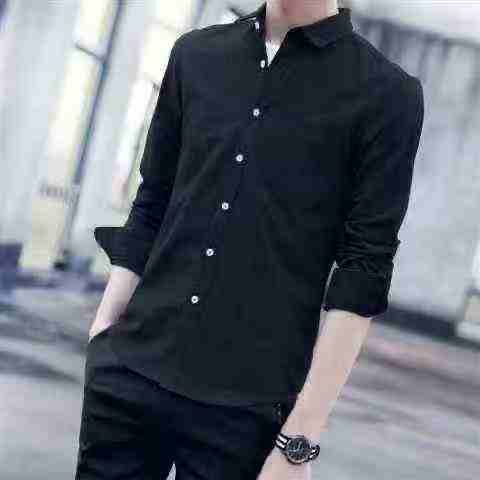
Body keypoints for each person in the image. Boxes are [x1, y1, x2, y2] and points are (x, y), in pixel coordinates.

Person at [75, 1, 424, 479]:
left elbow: (364, 269)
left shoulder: (387, 95)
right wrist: (104, 332)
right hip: (129, 377)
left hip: (246, 413)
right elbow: (153, 200)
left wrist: (299, 441)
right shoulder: (195, 55)